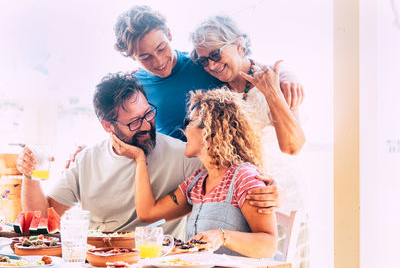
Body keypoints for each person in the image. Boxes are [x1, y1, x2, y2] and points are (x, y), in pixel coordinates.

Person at [16, 73, 279, 239]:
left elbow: (234, 170)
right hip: (100, 259)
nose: (145, 126)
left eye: (148, 114)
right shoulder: (87, 160)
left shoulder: (186, 156)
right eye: (133, 123)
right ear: (108, 126)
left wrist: (269, 189)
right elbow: (41, 219)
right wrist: (30, 175)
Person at [190, 15, 308, 267]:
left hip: (280, 200)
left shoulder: (275, 80)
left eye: (216, 54)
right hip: (244, 208)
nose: (211, 65)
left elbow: (293, 146)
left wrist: (273, 91)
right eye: (204, 60)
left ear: (240, 45)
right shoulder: (219, 91)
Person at [113, 88, 277, 258]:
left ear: (211, 129)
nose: (183, 131)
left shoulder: (245, 177)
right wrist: (139, 159)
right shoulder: (198, 182)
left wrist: (222, 236)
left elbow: (269, 246)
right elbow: (147, 213)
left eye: (189, 123)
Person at [114, 5, 304, 142]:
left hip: (217, 173)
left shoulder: (202, 64)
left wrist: (286, 74)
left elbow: (244, 66)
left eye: (162, 48)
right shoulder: (135, 85)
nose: (158, 61)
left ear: (169, 35)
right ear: (133, 57)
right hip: (174, 176)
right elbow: (123, 129)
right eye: (146, 57)